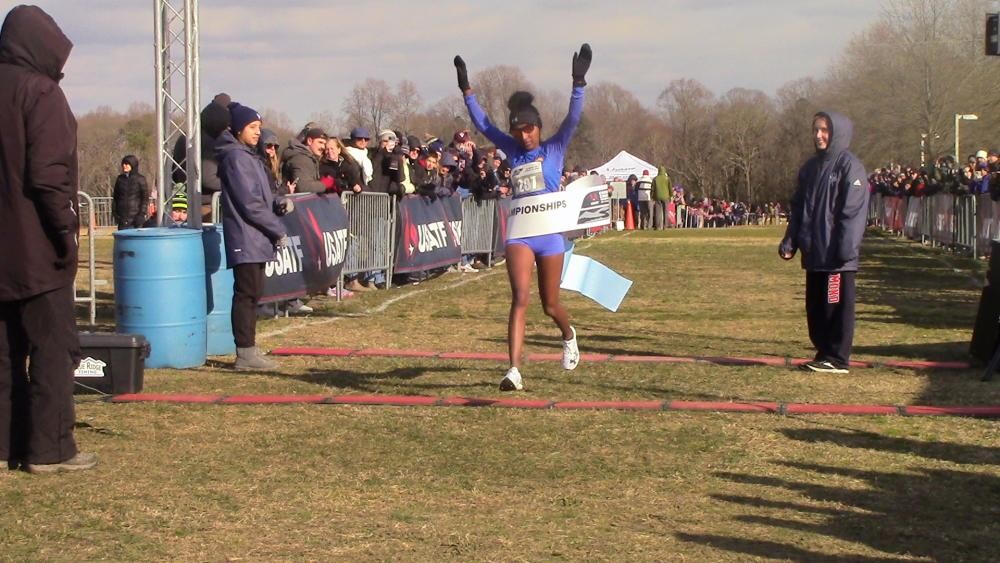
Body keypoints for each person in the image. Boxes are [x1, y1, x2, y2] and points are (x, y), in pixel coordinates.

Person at [454, 42, 591, 391]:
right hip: (520, 233)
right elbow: (483, 124)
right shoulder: (512, 151)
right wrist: (466, 89)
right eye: (518, 132)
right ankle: (513, 370)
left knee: (550, 305)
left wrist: (578, 83)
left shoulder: (555, 148)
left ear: (538, 127)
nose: (524, 136)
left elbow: (573, 119)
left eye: (529, 130)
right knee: (520, 299)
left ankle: (568, 334)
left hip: (550, 236)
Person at [0, 5, 97, 473]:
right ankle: (50, 449)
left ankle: (6, 444)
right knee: (52, 348)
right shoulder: (41, 93)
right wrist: (65, 232)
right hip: (37, 249)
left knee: (4, 354)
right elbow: (49, 175)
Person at [780, 111, 869, 374]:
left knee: (835, 307)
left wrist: (845, 249)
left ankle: (837, 357)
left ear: (836, 133)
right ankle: (823, 353)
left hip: (837, 259)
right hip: (815, 254)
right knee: (816, 309)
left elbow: (852, 212)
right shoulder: (809, 168)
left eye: (824, 130)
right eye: (816, 130)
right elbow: (799, 208)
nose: (818, 136)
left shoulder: (850, 167)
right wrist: (790, 241)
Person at [216, 101, 294, 370]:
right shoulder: (236, 158)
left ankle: (249, 349)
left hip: (255, 237)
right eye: (252, 127)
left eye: (259, 126)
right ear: (238, 129)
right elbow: (249, 203)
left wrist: (278, 202)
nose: (258, 132)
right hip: (246, 236)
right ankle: (245, 353)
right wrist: (277, 229)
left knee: (253, 294)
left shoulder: (249, 156)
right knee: (247, 294)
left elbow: (262, 196)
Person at [281, 126, 327, 193]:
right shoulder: (301, 159)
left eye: (324, 144)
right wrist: (325, 184)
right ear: (309, 141)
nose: (323, 147)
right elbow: (304, 187)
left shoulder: (309, 157)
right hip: (296, 199)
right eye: (320, 142)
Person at [112, 155, 150, 230]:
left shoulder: (140, 179)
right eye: (123, 164)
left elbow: (145, 199)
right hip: (122, 219)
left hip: (135, 220)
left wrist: (141, 215)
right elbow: (116, 198)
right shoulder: (120, 179)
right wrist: (115, 213)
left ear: (132, 165)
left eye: (127, 164)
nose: (124, 166)